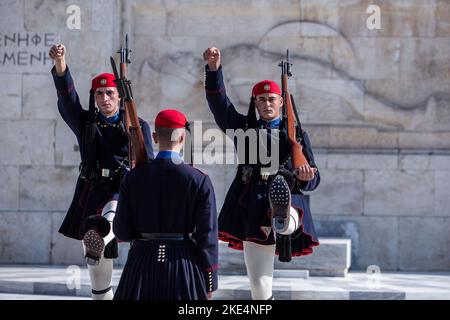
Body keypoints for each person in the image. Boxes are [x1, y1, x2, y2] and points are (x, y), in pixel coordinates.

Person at [203, 47, 320, 300]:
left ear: (281, 102)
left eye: (272, 99)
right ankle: (281, 219)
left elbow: (314, 178)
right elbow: (219, 105)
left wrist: (306, 176)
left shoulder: (297, 135)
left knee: (287, 215)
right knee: (259, 289)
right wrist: (213, 70)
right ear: (255, 103)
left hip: (289, 196)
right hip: (252, 205)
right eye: (261, 99)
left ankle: (283, 217)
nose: (267, 104)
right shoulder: (243, 129)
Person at [49, 44, 154, 300]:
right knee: (97, 266)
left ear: (120, 96)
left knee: (105, 221)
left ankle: (100, 232)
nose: (104, 99)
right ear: (94, 97)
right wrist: (61, 63)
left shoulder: (138, 126)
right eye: (99, 94)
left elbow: (149, 163)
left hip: (123, 191)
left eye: (109, 93)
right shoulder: (86, 123)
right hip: (93, 190)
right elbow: (67, 96)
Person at [113, 109, 218, 300]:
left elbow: (122, 231)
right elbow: (207, 235)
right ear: (183, 138)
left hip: (141, 261)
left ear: (154, 137)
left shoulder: (133, 177)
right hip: (183, 263)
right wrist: (210, 279)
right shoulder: (199, 180)